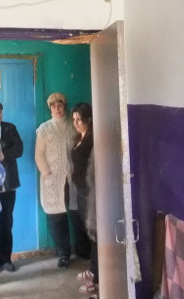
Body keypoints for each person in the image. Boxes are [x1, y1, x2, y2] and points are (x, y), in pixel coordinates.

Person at [35, 92, 78, 269]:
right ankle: (64, 254)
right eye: (53, 106)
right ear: (50, 109)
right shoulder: (44, 128)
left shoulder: (74, 125)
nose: (57, 109)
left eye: (60, 105)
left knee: (77, 213)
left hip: (73, 178)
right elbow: (39, 154)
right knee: (57, 217)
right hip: (53, 179)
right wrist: (47, 173)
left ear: (65, 106)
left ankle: (83, 249)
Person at [70, 102, 99, 295]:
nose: (76, 123)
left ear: (88, 119)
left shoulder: (93, 138)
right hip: (81, 190)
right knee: (90, 233)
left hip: (91, 191)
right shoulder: (78, 138)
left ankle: (96, 278)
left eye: (79, 119)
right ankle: (94, 270)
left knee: (95, 233)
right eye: (74, 119)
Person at [0, 100, 24, 273]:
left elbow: (19, 149)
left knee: (6, 222)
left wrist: (4, 154)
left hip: (7, 185)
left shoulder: (9, 128)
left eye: (0, 112)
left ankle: (5, 259)